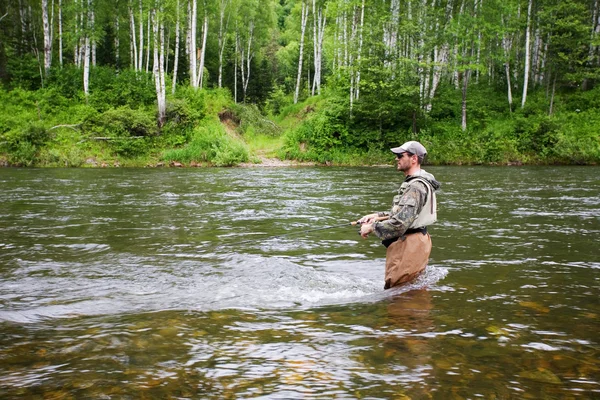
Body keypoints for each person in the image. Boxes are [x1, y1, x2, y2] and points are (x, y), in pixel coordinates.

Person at [358, 141, 440, 289]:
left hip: (410, 245)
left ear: (414, 158)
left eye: (400, 155)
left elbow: (400, 224)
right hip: (417, 241)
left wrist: (371, 227)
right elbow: (407, 213)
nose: (396, 159)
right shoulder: (419, 182)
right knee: (409, 292)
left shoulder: (415, 187)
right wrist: (377, 215)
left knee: (399, 295)